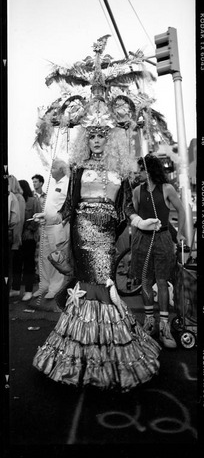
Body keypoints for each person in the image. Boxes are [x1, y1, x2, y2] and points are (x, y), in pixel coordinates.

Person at [32, 121, 161, 393]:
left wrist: (142, 223)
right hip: (83, 233)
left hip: (106, 235)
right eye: (92, 137)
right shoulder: (78, 171)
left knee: (105, 283)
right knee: (89, 286)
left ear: (109, 140)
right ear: (86, 142)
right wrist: (49, 217)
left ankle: (108, 356)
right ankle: (78, 360)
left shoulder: (120, 172)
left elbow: (127, 210)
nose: (97, 141)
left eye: (102, 136)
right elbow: (67, 208)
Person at [130, 154, 186, 349]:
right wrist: (133, 242)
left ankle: (164, 325)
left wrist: (179, 234)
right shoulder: (137, 191)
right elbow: (134, 215)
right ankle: (149, 321)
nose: (138, 174)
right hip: (142, 240)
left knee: (162, 282)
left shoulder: (167, 189)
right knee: (145, 281)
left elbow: (181, 210)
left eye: (141, 170)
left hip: (162, 238)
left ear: (149, 170)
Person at [32, 159, 69, 300]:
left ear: (61, 170)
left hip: (58, 226)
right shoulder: (51, 183)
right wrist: (42, 216)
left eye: (53, 168)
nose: (50, 170)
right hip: (45, 224)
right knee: (43, 256)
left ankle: (55, 287)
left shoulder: (66, 184)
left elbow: (65, 207)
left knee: (56, 257)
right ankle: (44, 285)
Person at [11, 180, 41, 301]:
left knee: (28, 264)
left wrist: (29, 229)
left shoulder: (33, 201)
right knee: (16, 264)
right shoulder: (15, 200)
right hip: (17, 237)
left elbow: (37, 218)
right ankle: (16, 288)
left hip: (28, 237)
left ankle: (28, 290)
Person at [9, 176, 26, 297]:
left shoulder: (17, 198)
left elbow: (18, 221)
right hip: (12, 236)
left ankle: (14, 288)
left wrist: (16, 240)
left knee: (13, 265)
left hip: (13, 237)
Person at [32, 174, 46, 280]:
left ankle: (39, 273)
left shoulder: (46, 197)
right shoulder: (31, 196)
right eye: (33, 182)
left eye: (36, 181)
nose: (34, 183)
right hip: (32, 226)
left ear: (41, 183)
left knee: (41, 250)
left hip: (42, 227)